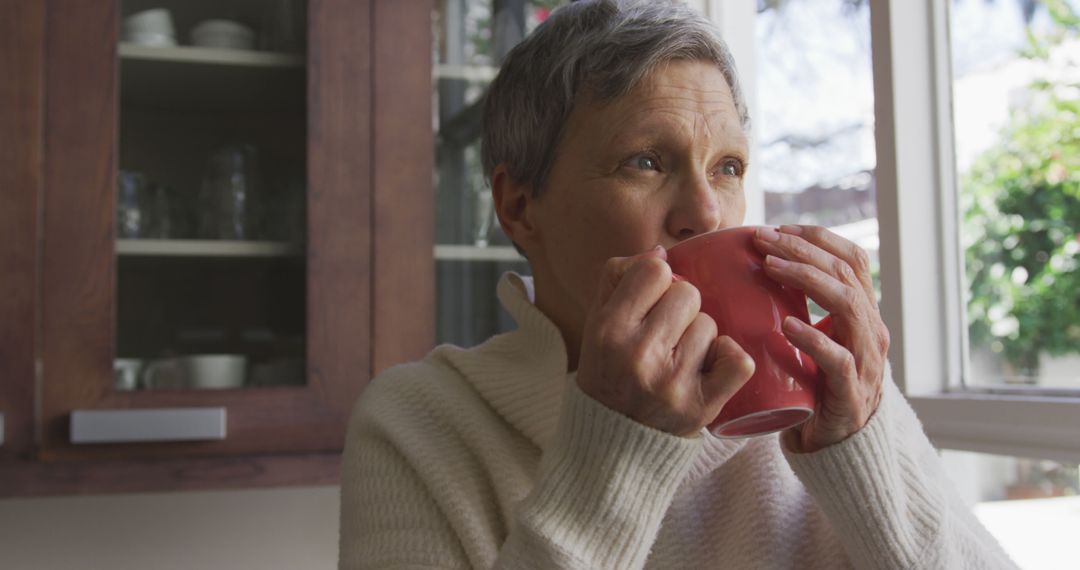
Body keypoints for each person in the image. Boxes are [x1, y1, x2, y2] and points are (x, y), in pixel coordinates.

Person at [339, 1, 1018, 568]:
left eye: (727, 167)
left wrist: (862, 449)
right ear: (520, 208)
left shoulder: (827, 389)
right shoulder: (418, 423)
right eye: (646, 161)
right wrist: (615, 443)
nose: (707, 213)